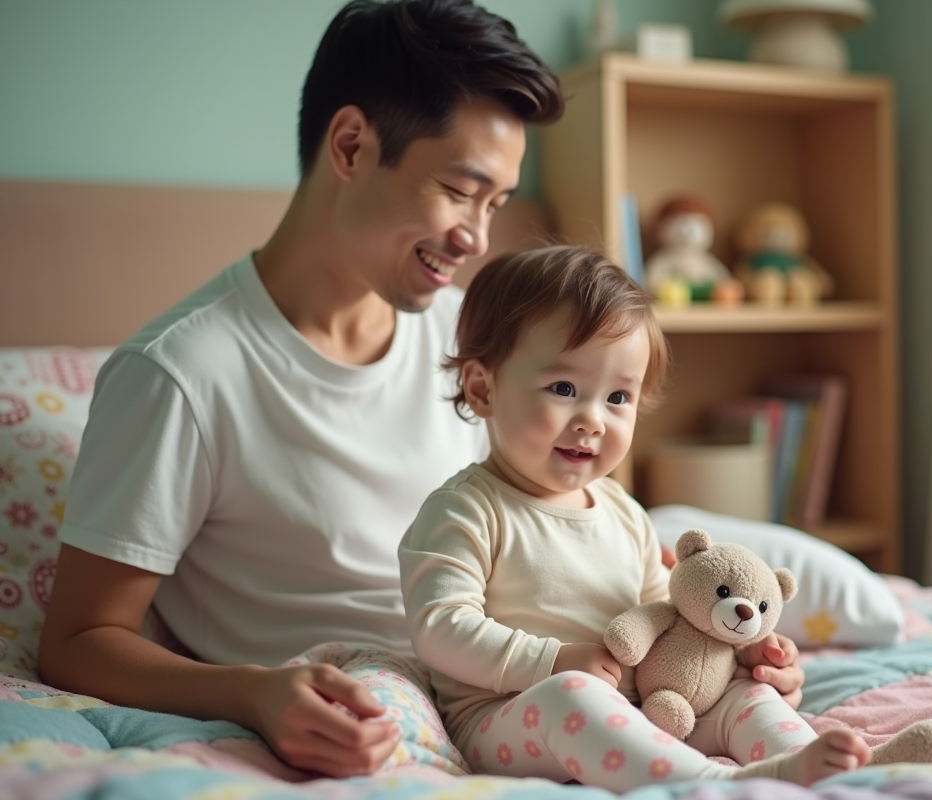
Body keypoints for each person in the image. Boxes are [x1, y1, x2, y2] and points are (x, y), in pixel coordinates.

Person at [37, 0, 806, 780]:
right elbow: (76, 642)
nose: (477, 237)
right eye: (458, 189)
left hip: (554, 673)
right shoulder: (182, 373)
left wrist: (708, 651)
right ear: (350, 146)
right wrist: (253, 694)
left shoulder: (484, 338)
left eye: (497, 204)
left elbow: (579, 531)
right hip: (394, 700)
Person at [399, 246, 872, 791]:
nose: (593, 420)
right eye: (564, 389)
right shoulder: (466, 509)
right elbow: (439, 628)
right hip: (509, 720)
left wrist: (741, 655)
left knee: (747, 696)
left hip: (651, 705)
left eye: (618, 396)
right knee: (572, 699)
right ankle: (707, 785)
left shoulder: (623, 512)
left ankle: (812, 764)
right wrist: (550, 662)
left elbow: (672, 616)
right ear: (484, 389)